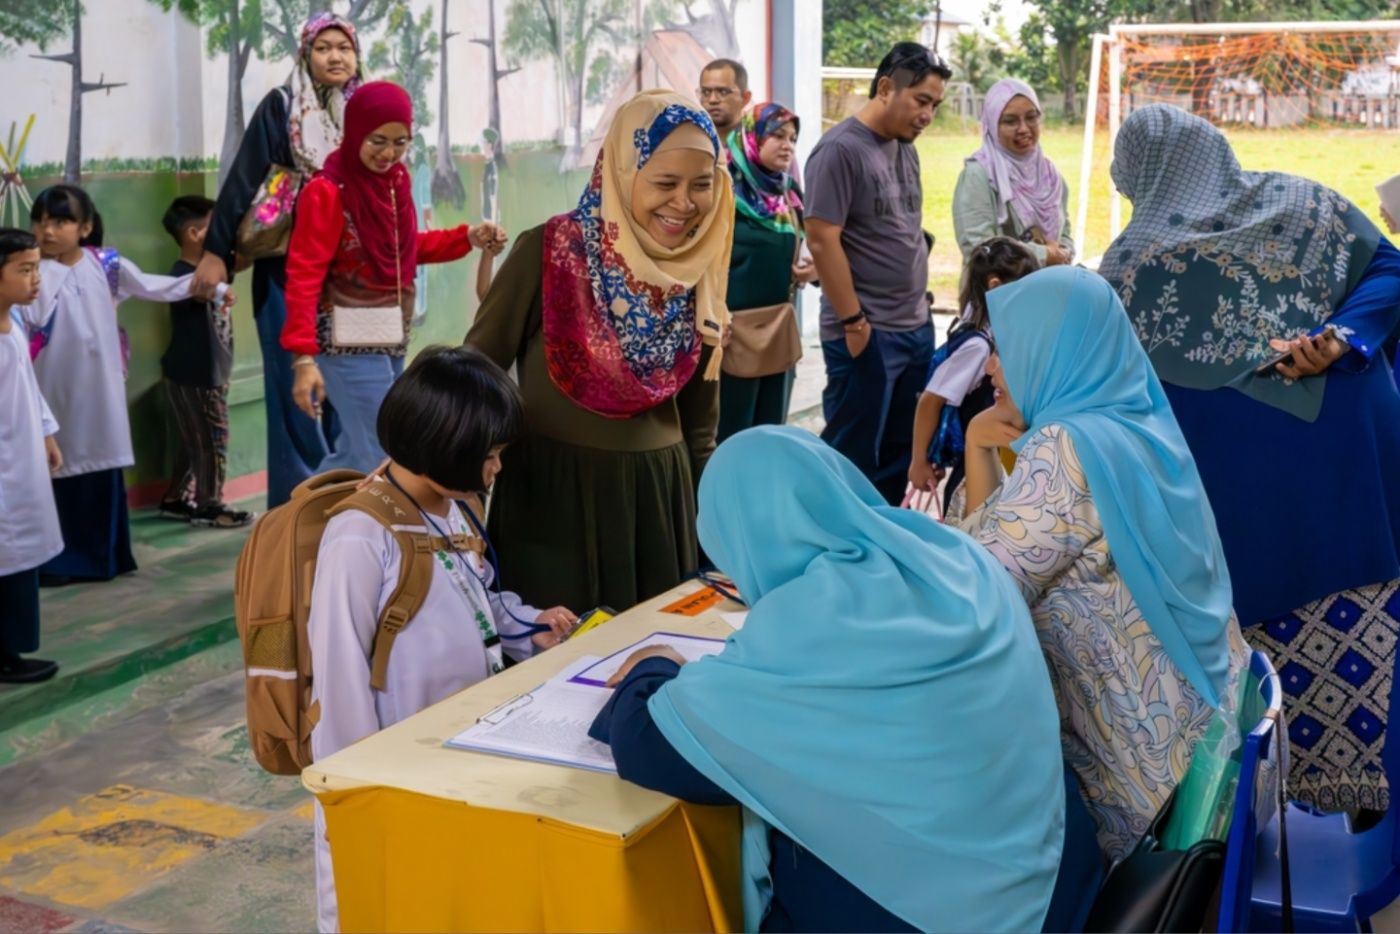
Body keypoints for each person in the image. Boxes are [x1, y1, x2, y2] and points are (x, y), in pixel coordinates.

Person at [590, 426, 1102, 933]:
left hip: (950, 914)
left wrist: (653, 666)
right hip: (1059, 873)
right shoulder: (952, 555)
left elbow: (648, 745)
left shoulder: (810, 623)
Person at [1099, 104, 1400, 814]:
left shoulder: (1129, 265)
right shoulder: (1308, 202)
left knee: (1262, 653)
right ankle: (1372, 807)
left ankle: (1285, 799)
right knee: (1373, 618)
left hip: (1240, 495)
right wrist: (1342, 338)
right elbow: (1389, 264)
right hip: (1352, 457)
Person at [958, 265, 1251, 862]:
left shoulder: (1068, 446)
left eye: (1006, 349)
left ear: (1055, 352)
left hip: (1143, 789)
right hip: (1209, 748)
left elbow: (973, 587)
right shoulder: (1136, 425)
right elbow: (996, 534)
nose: (990, 368)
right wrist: (979, 442)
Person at [307, 345, 577, 932]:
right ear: (446, 447)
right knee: (375, 902)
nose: (497, 467)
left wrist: (528, 628)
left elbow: (473, 594)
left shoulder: (452, 511)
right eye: (491, 454)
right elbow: (339, 670)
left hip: (451, 749)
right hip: (386, 769)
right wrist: (356, 788)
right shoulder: (360, 534)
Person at [466, 90, 733, 613]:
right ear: (622, 170)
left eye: (702, 186)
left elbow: (702, 429)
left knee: (649, 660)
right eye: (664, 183)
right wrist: (457, 500)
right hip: (550, 502)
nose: (684, 203)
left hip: (658, 508)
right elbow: (474, 374)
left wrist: (718, 539)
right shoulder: (548, 250)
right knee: (549, 665)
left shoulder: (698, 272)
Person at [281, 81, 505, 474]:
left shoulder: (394, 183)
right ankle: (360, 531)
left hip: (388, 329)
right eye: (378, 140)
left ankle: (309, 528)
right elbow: (303, 275)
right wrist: (302, 358)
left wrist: (466, 237)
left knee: (356, 452)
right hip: (345, 335)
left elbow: (401, 250)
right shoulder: (327, 191)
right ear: (355, 133)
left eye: (400, 142)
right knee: (384, 449)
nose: (388, 153)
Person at [193, 13, 364, 508]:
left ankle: (348, 503)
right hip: (287, 272)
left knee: (350, 384)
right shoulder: (282, 106)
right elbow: (245, 177)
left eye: (344, 48)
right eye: (323, 47)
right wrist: (216, 253)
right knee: (296, 388)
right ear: (305, 55)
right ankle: (298, 514)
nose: (335, 56)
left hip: (351, 276)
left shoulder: (364, 110)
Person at [20, 185, 230, 584]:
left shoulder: (107, 264)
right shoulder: (31, 272)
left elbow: (157, 286)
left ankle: (105, 557)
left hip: (100, 392)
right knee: (56, 462)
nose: (47, 230)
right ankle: (57, 563)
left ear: (84, 227)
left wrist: (214, 289)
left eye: (60, 221)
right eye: (40, 221)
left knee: (98, 458)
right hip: (51, 390)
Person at [806, 42, 949, 504]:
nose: (927, 115)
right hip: (866, 333)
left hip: (913, 327)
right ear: (886, 87)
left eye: (935, 105)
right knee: (850, 460)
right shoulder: (839, 151)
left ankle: (880, 554)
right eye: (921, 100)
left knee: (895, 456)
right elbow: (823, 238)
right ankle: (837, 556)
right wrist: (853, 323)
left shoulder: (905, 148)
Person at [908, 237, 1037, 517]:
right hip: (971, 466)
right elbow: (930, 400)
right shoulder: (978, 348)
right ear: (996, 287)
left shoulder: (982, 327)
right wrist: (920, 460)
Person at [718, 101, 817, 441]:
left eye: (792, 138)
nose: (787, 145)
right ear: (751, 138)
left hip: (777, 329)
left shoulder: (788, 192)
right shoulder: (722, 191)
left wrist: (809, 271)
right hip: (731, 333)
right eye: (777, 135)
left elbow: (805, 245)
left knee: (771, 432)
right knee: (731, 432)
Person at [158, 196, 252, 528]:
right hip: (198, 377)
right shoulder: (189, 278)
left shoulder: (205, 274)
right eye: (217, 227)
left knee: (194, 439)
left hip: (201, 374)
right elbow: (204, 289)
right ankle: (210, 504)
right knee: (212, 440)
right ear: (196, 234)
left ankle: (175, 498)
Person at [0, 229, 63, 684]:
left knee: (20, 558)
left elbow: (28, 388)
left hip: (21, 462)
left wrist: (45, 433)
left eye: (37, 267)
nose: (35, 279)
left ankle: (11, 649)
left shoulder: (16, 324)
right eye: (24, 270)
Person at [953, 79, 1074, 266]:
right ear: (992, 126)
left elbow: (1064, 230)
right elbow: (979, 248)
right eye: (1010, 121)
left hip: (1047, 290)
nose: (1024, 129)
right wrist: (1044, 255)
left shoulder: (1049, 175)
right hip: (1000, 291)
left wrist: (1065, 251)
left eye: (1031, 117)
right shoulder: (979, 175)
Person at [698, 58, 753, 145]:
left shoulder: (759, 143)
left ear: (745, 97)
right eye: (706, 92)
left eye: (723, 92)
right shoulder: (689, 142)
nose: (712, 100)